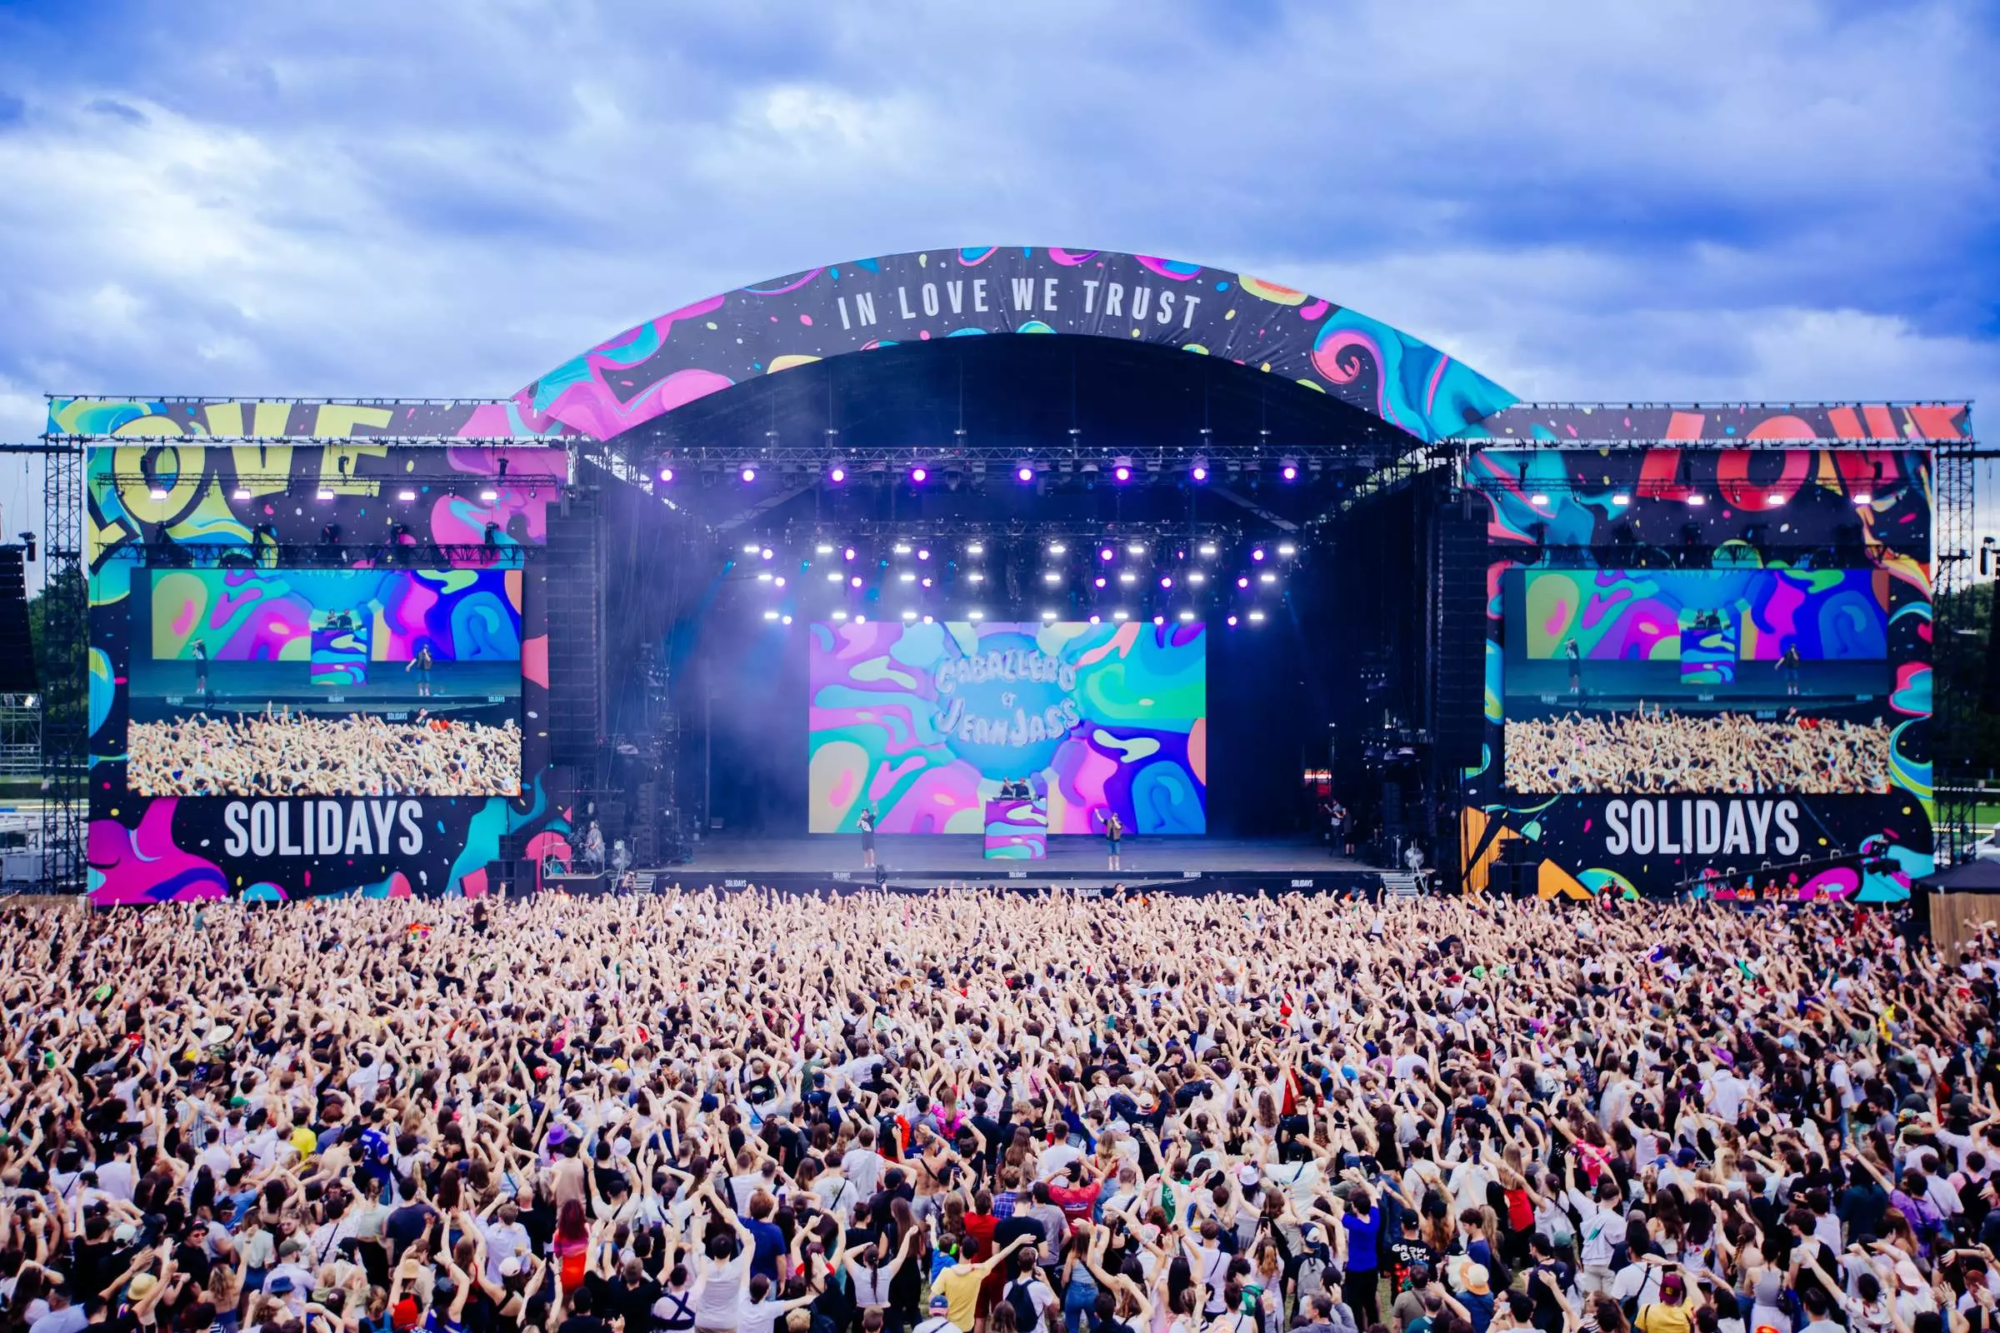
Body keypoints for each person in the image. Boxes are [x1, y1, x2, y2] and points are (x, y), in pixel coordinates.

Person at [191, 640, 210, 705]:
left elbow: (201, 641)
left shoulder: (202, 647)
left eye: (197, 643)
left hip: (203, 663)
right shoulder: (195, 648)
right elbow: (193, 655)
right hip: (198, 663)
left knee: (203, 677)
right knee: (198, 677)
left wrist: (194, 643)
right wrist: (194, 649)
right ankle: (198, 688)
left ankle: (202, 689)